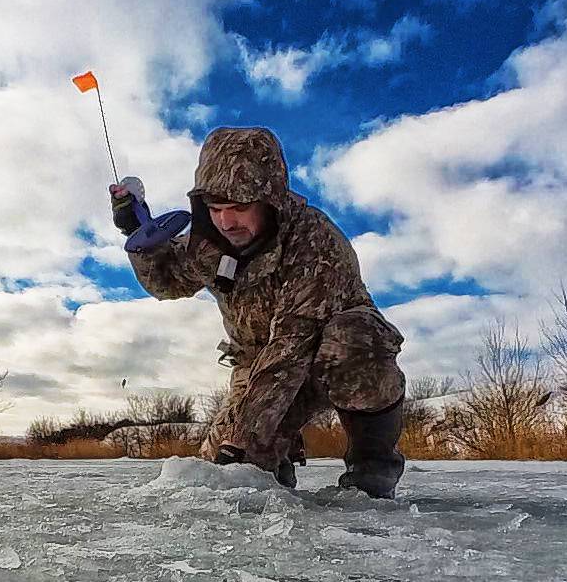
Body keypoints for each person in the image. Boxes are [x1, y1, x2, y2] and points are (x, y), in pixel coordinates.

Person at [112, 126, 407, 497]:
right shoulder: (211, 243)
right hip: (255, 366)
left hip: (323, 353)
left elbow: (290, 349)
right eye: (216, 209)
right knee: (222, 479)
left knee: (353, 342)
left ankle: (373, 470)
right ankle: (275, 470)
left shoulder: (314, 243)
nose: (225, 221)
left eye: (238, 207)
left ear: (269, 201)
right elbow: (167, 281)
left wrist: (245, 443)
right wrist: (140, 237)